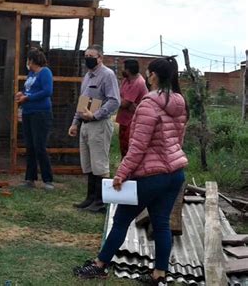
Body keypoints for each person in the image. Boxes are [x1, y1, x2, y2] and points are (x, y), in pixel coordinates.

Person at [73, 57, 189, 285]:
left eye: (149, 72)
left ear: (154, 75)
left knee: (121, 219)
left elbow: (138, 146)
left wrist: (121, 174)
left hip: (151, 175)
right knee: (162, 223)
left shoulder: (149, 103)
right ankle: (159, 275)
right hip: (175, 174)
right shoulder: (179, 101)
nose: (147, 75)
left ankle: (100, 265)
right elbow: (178, 140)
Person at [68, 44, 120, 212]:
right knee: (88, 164)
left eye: (91, 55)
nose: (88, 58)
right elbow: (82, 101)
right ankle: (90, 198)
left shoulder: (107, 75)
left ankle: (101, 201)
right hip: (85, 124)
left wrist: (96, 115)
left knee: (100, 164)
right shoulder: (88, 76)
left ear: (100, 58)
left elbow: (114, 101)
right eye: (86, 55)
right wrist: (75, 123)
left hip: (99, 124)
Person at [15, 48, 54, 190]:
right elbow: (29, 90)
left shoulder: (45, 72)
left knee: (39, 146)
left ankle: (47, 179)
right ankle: (30, 178)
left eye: (28, 60)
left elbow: (47, 91)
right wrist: (22, 93)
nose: (27, 63)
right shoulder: (31, 74)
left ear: (33, 60)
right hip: (28, 111)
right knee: (30, 146)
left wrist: (28, 97)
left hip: (41, 113)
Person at [115, 59, 148, 158]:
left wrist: (119, 100)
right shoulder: (126, 80)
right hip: (125, 120)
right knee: (123, 147)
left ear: (128, 71)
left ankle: (129, 172)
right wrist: (120, 100)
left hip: (133, 121)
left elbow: (124, 103)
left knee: (129, 149)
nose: (121, 70)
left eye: (122, 68)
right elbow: (119, 97)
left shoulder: (138, 82)